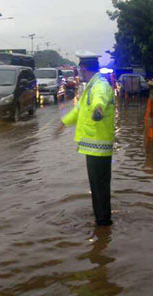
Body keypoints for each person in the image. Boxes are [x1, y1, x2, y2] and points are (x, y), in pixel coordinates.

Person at [55, 55, 115, 226]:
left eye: (81, 69)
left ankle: (103, 223)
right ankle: (100, 219)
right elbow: (78, 111)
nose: (80, 72)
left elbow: (100, 100)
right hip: (93, 147)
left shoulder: (100, 86)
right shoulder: (90, 87)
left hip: (99, 146)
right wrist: (63, 123)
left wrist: (98, 109)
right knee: (97, 187)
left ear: (86, 69)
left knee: (100, 187)